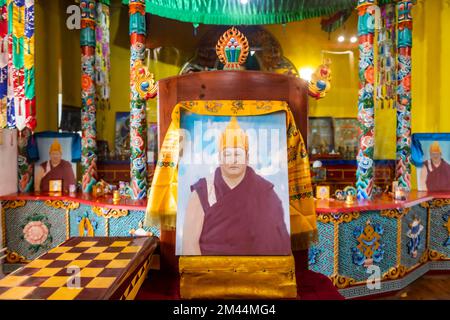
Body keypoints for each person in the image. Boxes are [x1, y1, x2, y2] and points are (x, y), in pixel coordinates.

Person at [182, 116, 291, 256]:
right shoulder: (203, 191)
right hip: (211, 271)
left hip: (258, 271)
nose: (233, 160)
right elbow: (189, 243)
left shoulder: (265, 192)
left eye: (238, 154)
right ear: (220, 158)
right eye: (227, 154)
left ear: (247, 158)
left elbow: (278, 241)